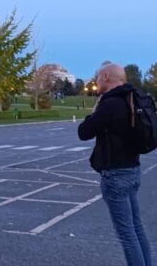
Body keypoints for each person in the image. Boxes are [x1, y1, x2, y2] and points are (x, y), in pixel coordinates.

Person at [78, 63, 152, 266]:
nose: (96, 82)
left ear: (106, 76)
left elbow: (84, 132)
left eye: (98, 77)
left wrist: (94, 111)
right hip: (133, 169)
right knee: (136, 228)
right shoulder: (131, 98)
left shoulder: (110, 103)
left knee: (126, 234)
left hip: (115, 174)